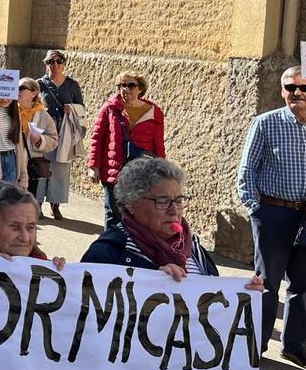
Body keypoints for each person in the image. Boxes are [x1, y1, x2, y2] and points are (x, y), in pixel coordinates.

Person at [83, 157, 263, 289]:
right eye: (162, 201)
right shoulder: (106, 254)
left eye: (178, 200)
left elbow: (214, 300)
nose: (174, 210)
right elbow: (86, 319)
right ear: (131, 205)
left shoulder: (191, 244)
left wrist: (243, 294)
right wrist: (151, 281)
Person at [237, 66, 306, 365]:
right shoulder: (266, 123)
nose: (297, 93)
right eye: (291, 88)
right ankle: (257, 346)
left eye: (304, 88)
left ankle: (293, 345)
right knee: (267, 284)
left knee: (302, 286)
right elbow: (246, 169)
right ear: (282, 91)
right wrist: (255, 208)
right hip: (273, 213)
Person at [88, 69, 165, 228]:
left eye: (131, 85)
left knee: (135, 216)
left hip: (139, 173)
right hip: (113, 170)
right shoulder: (110, 108)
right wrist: (93, 166)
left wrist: (162, 171)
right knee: (113, 214)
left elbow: (158, 145)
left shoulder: (154, 113)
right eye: (122, 85)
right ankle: (109, 249)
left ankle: (129, 249)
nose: (126, 89)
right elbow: (97, 138)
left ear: (140, 88)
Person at [36, 50, 86, 228]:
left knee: (61, 169)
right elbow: (30, 104)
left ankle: (55, 205)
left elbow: (81, 108)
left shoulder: (72, 85)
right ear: (46, 63)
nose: (55, 65)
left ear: (64, 63)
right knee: (41, 168)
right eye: (51, 61)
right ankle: (37, 204)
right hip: (44, 132)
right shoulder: (39, 84)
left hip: (64, 133)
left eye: (59, 61)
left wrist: (71, 108)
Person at [0, 182, 64, 269]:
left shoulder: (40, 266)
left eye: (30, 227)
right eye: (14, 227)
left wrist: (57, 272)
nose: (25, 238)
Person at [17, 78, 60, 217]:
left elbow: (54, 139)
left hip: (31, 164)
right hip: (12, 162)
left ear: (34, 93)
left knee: (28, 203)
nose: (17, 90)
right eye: (17, 87)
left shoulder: (42, 114)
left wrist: (39, 140)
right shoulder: (10, 109)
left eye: (22, 88)